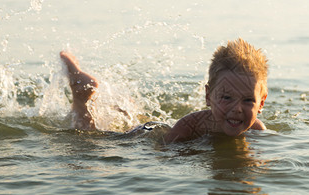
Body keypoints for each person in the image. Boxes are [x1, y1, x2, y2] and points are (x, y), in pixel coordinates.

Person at [60, 38, 268, 143]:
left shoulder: (257, 129)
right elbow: (161, 152)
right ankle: (80, 97)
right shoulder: (190, 126)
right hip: (150, 133)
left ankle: (125, 106)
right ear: (208, 96)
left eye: (248, 100)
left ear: (261, 103)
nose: (237, 108)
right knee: (96, 139)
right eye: (226, 97)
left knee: (134, 116)